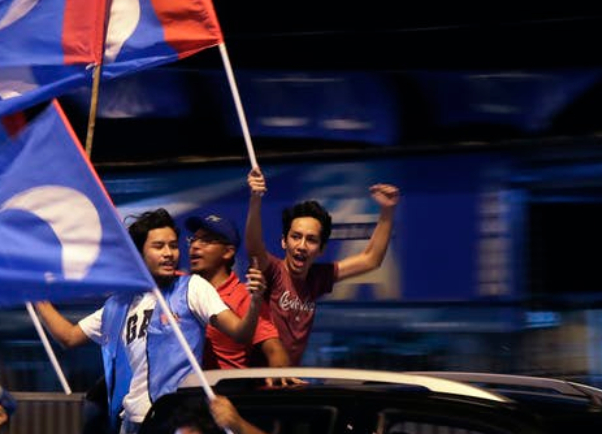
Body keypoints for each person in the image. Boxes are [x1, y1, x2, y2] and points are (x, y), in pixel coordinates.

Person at [34, 208, 267, 434]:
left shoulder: (192, 288)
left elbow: (240, 332)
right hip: (130, 422)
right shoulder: (118, 305)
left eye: (174, 246)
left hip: (177, 421)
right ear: (139, 254)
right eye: (159, 246)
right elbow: (69, 336)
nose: (169, 253)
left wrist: (255, 303)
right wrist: (36, 298)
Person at [244, 166, 400, 366]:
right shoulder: (273, 271)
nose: (301, 246)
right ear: (284, 241)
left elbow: (371, 259)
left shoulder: (318, 277)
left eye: (311, 240)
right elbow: (254, 247)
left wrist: (387, 211)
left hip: (289, 383)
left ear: (321, 249)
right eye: (295, 237)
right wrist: (255, 199)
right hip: (258, 382)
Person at [184, 212, 290, 371]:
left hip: (228, 391)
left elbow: (274, 349)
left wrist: (282, 379)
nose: (195, 246)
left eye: (206, 240)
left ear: (227, 252)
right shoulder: (179, 288)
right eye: (193, 240)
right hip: (183, 391)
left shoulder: (246, 298)